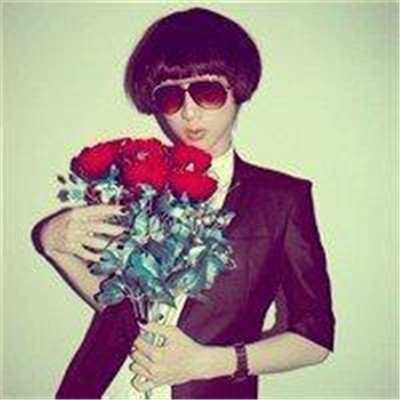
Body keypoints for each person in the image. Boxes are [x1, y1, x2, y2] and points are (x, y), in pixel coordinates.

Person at [32, 7, 335, 399]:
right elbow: (122, 309)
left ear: (237, 89)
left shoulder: (281, 201)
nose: (189, 113)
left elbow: (315, 338)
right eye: (171, 96)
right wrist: (53, 245)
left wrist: (210, 362)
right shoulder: (136, 184)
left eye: (207, 92)